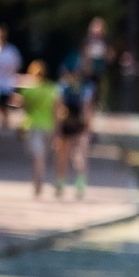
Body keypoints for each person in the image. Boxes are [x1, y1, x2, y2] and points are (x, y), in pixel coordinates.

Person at [52, 66, 92, 198]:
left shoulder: (63, 88)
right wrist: (87, 127)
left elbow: (58, 109)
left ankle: (60, 182)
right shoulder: (85, 88)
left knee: (62, 155)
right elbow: (86, 109)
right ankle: (80, 182)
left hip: (66, 126)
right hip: (80, 126)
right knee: (80, 155)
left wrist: (57, 129)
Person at [18, 61, 57, 197]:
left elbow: (23, 107)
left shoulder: (28, 90)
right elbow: (56, 110)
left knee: (37, 157)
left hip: (33, 124)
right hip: (48, 125)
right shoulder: (52, 89)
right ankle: (40, 180)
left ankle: (37, 182)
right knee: (43, 156)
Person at [80, 18, 111, 111]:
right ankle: (87, 105)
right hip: (90, 66)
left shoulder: (105, 40)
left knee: (100, 87)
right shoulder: (88, 39)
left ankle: (99, 105)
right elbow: (84, 52)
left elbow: (109, 53)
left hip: (100, 66)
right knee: (88, 87)